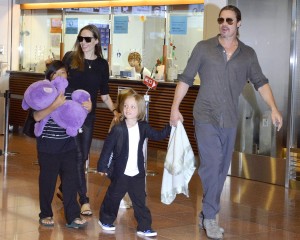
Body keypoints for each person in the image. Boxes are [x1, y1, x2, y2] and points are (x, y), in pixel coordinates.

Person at [169, 5, 283, 240]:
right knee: (211, 165)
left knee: (221, 170)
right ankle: (210, 217)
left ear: (238, 24)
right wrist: (174, 107)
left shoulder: (248, 54)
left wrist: (273, 108)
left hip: (229, 119)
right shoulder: (203, 48)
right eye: (221, 19)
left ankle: (205, 213)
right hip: (205, 116)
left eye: (229, 20)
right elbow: (186, 79)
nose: (224, 23)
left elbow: (261, 82)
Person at [61, 24, 118, 216]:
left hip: (87, 118)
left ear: (95, 41)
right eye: (80, 38)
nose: (83, 43)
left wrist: (116, 112)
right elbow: (59, 83)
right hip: (68, 115)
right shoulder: (70, 58)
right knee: (75, 156)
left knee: (82, 156)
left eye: (87, 39)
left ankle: (65, 187)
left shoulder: (102, 65)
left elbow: (104, 94)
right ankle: (83, 199)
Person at [97, 92, 171, 237]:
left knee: (140, 201)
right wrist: (102, 166)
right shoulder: (118, 128)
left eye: (132, 107)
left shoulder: (143, 127)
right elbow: (108, 147)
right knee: (113, 197)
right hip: (120, 172)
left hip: (137, 173)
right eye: (125, 106)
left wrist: (170, 126)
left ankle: (144, 226)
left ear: (140, 110)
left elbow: (157, 135)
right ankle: (105, 219)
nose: (128, 109)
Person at [34, 60, 87, 228]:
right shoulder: (42, 93)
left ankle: (72, 216)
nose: (58, 76)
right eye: (54, 74)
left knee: (70, 182)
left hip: (68, 146)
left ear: (67, 75)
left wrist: (88, 107)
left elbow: (80, 114)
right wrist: (55, 105)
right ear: (49, 77)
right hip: (47, 147)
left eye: (62, 73)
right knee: (47, 182)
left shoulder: (71, 94)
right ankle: (45, 214)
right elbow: (36, 116)